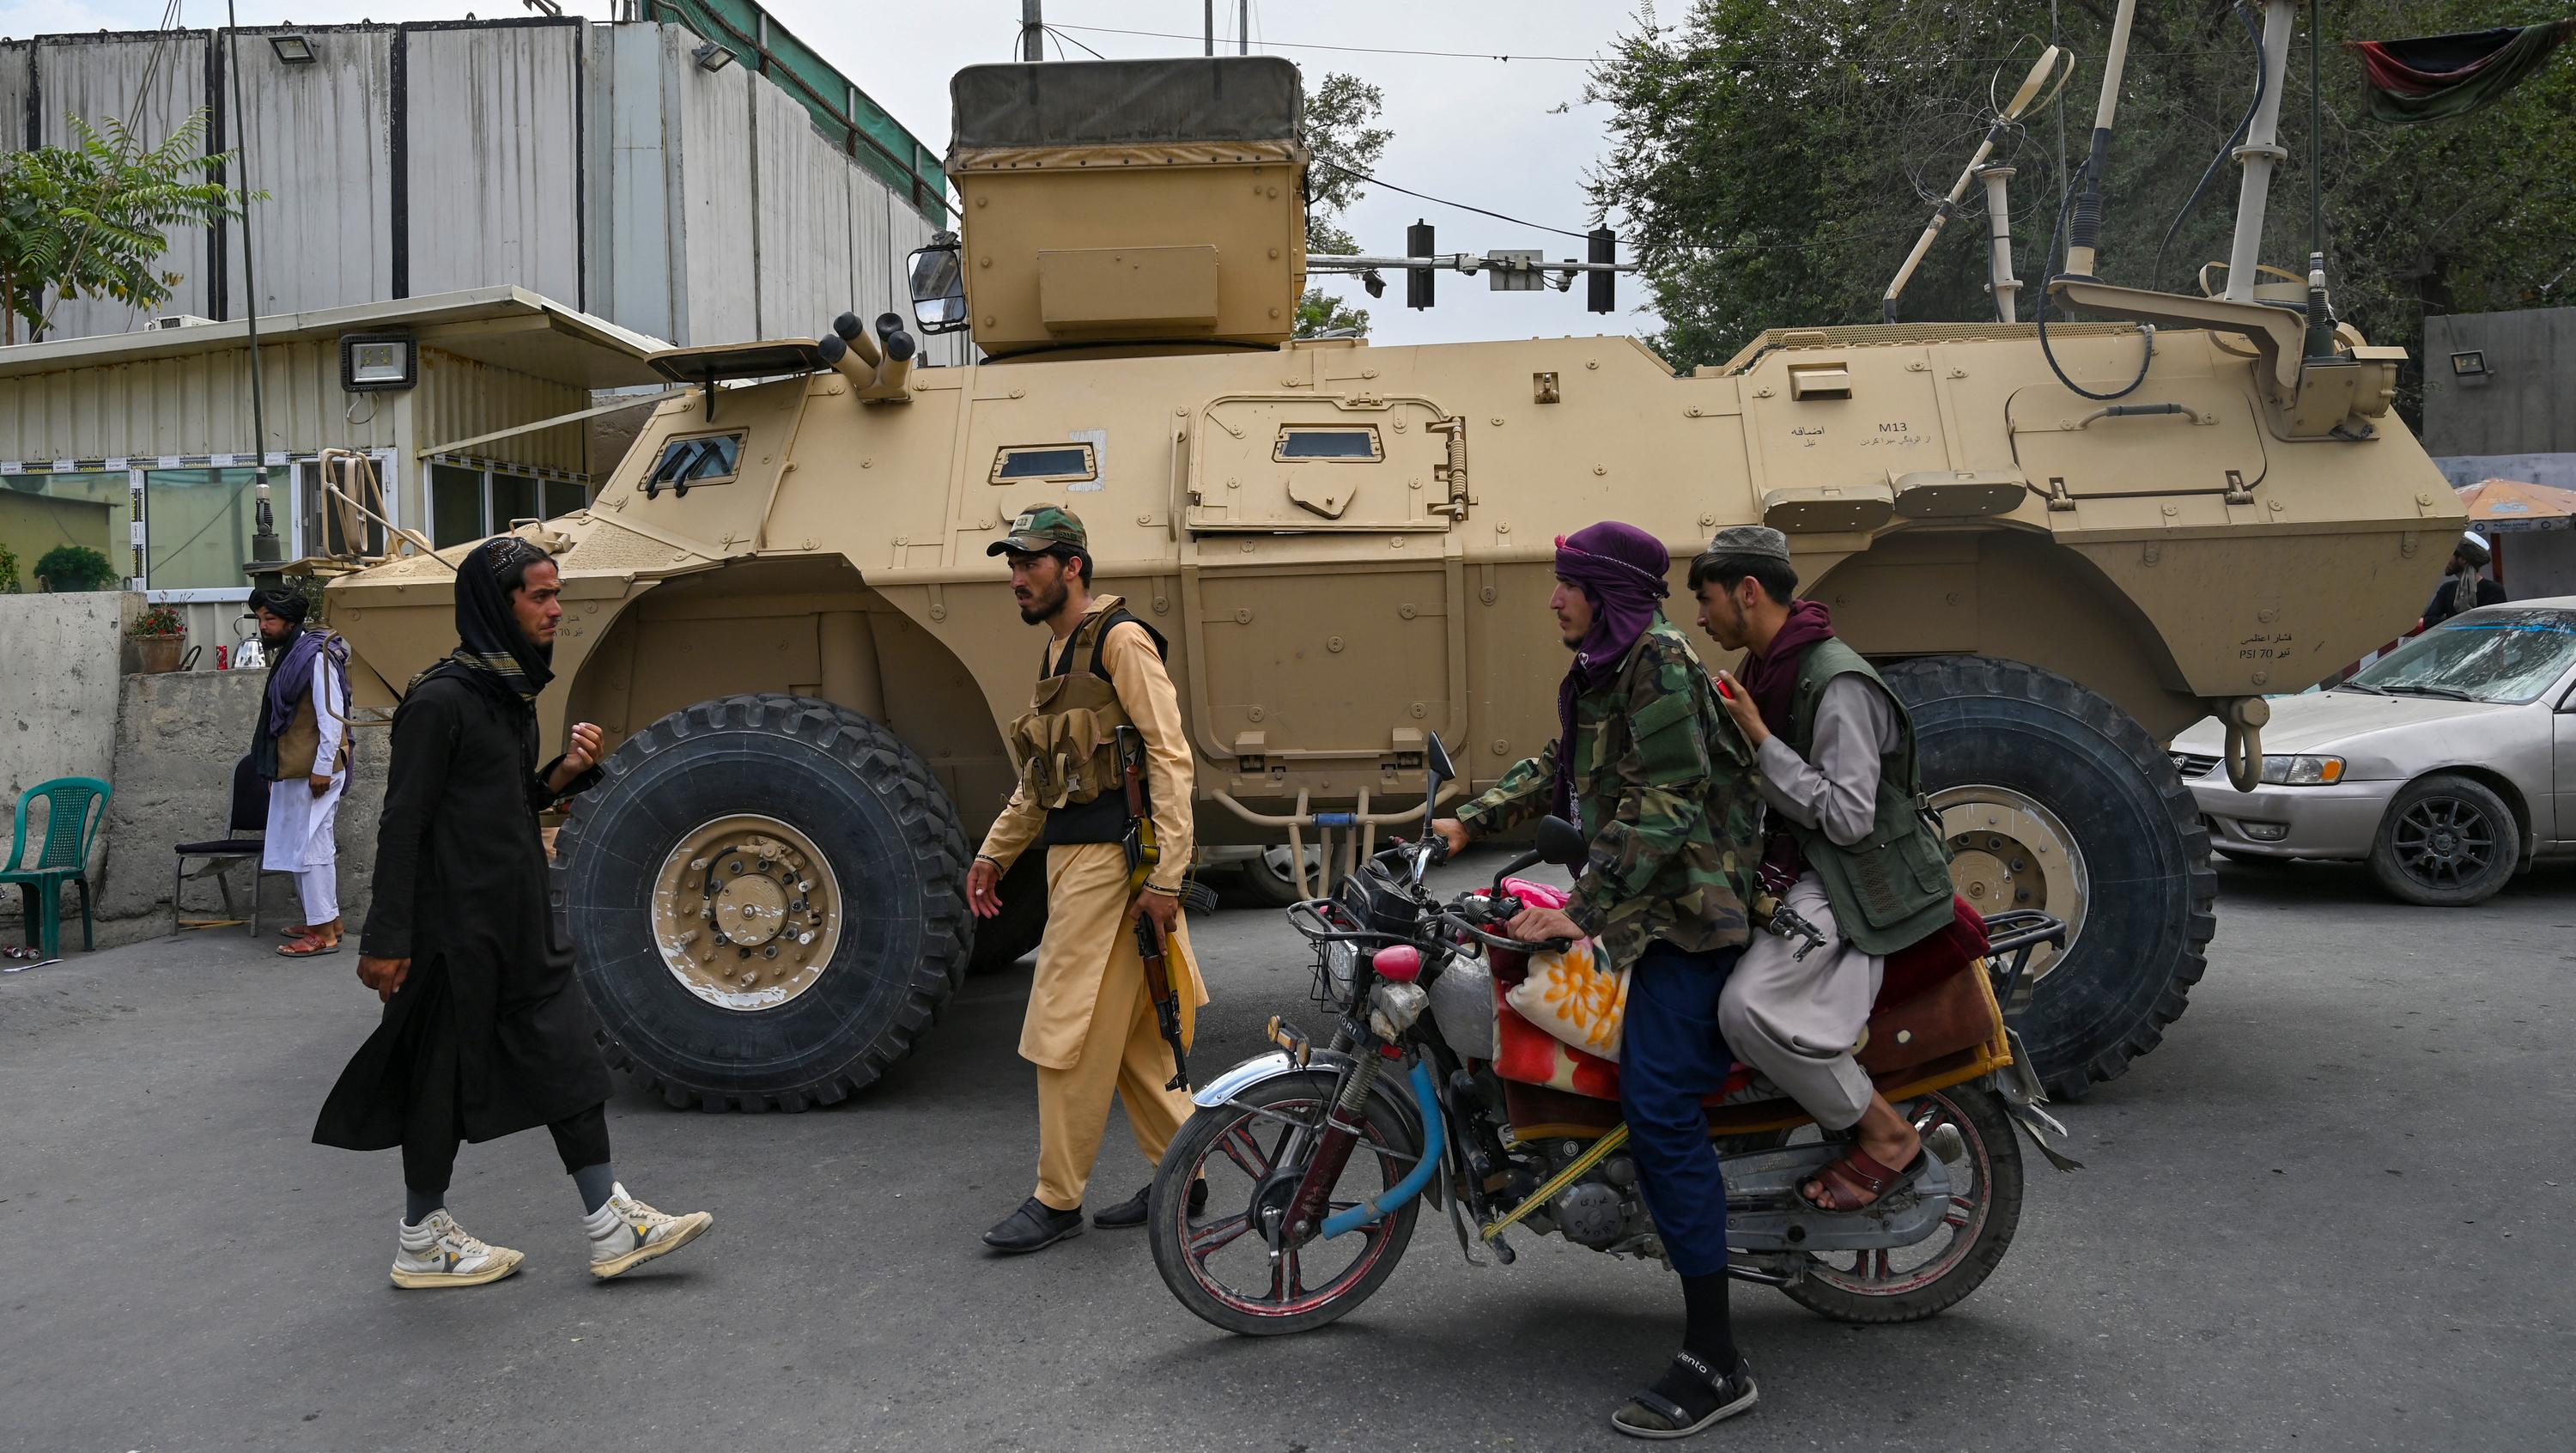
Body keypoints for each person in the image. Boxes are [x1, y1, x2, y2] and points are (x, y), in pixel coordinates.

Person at [1430, 521, 1766, 1441]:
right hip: (1643, 899)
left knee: (1659, 1103)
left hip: (1691, 914)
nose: (1553, 599)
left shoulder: (1658, 663)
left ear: (1606, 592)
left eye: (1567, 584)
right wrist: (1470, 822)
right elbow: (1564, 768)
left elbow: (1669, 803)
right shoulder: (1608, 669)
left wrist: (1585, 911)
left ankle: (1716, 1359)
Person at [313, 537, 712, 1289]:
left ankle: (605, 1222)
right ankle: (430, 1238)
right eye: (539, 595)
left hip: (516, 921)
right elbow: (404, 824)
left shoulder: (506, 695)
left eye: (556, 593)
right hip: (452, 934)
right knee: (438, 1084)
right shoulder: (439, 702)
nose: (556, 608)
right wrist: (388, 938)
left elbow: (495, 806)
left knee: (565, 1057)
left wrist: (559, 777)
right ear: (498, 604)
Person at [1688, 526, 1958, 1214]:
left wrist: (1759, 739)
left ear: (1748, 593)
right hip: (1794, 866)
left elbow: (1847, 817)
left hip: (1852, 879)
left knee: (1746, 1010)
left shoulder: (1835, 682)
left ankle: (1885, 1133)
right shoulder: (1766, 670)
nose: (1699, 617)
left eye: (1706, 598)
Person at [966, 505, 1208, 1253]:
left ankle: (1056, 1198)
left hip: (1112, 866)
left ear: (1073, 566)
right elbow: (1044, 780)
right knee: (1137, 1039)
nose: (1017, 579)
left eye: (1031, 564)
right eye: (1011, 565)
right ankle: (1186, 1174)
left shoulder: (1120, 640)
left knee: (1060, 1031)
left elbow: (1170, 758)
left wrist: (1167, 878)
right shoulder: (1060, 652)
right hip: (1082, 862)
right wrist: (994, 853)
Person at [248, 586, 353, 958]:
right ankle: (326, 921)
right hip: (297, 768)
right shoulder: (295, 653)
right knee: (306, 845)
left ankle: (322, 933)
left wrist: (323, 767)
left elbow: (332, 717)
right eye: (261, 619)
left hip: (315, 770)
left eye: (270, 619)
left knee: (311, 848)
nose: (263, 626)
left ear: (289, 621)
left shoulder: (316, 657)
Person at [2420, 530, 2507, 629]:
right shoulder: (2447, 589)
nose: (2445, 560)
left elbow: (2493, 625)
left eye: (2450, 555)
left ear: (2463, 560)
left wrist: (2448, 620)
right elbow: (2429, 621)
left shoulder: (2493, 591)